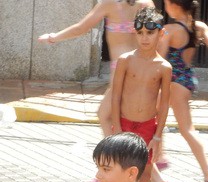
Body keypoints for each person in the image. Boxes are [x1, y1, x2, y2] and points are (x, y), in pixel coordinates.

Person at [37, 0, 155, 136]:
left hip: (121, 69)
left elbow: (80, 28)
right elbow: (157, 35)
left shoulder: (109, 4)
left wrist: (53, 37)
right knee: (134, 117)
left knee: (105, 115)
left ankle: (117, 149)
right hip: (141, 67)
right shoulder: (146, 3)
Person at [155, 0, 208, 182]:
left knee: (184, 129)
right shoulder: (199, 27)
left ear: (175, 5)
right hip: (187, 78)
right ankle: (160, 157)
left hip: (172, 81)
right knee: (158, 116)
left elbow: (159, 59)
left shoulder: (169, 30)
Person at [111, 6, 172, 182]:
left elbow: (164, 104)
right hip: (124, 124)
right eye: (140, 33)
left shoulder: (164, 67)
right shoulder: (125, 60)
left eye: (150, 33)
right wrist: (117, 127)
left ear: (161, 33)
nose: (145, 38)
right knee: (119, 174)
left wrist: (157, 136)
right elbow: (116, 95)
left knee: (145, 177)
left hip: (147, 127)